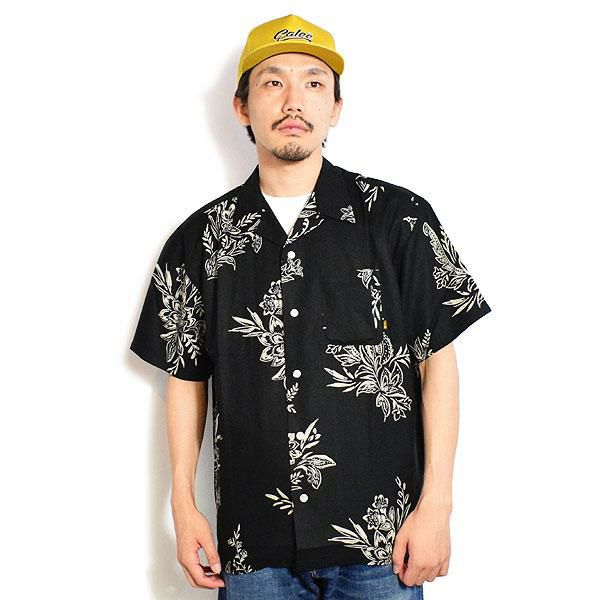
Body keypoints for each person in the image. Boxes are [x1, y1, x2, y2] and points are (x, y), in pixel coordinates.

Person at [129, 13, 492, 600]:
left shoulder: (399, 220)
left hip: (383, 541)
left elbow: (438, 365)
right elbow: (186, 376)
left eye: (314, 82)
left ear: (336, 107)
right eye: (273, 81)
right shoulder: (199, 241)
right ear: (242, 107)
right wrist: (182, 503)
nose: (293, 100)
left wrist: (437, 506)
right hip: (253, 545)